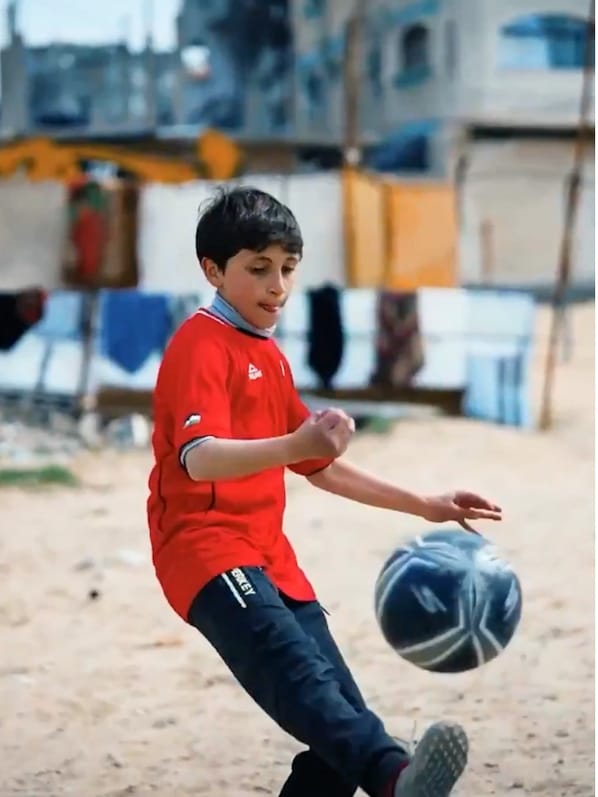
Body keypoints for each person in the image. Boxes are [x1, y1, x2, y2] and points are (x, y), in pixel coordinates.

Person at [146, 186, 503, 797]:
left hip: (271, 560)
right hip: (204, 552)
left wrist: (427, 504)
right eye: (259, 269)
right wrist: (295, 445)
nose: (277, 285)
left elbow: (320, 467)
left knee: (339, 724)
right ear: (213, 270)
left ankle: (384, 768)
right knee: (315, 696)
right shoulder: (198, 344)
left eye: (287, 269)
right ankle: (395, 779)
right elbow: (200, 460)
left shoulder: (272, 356)